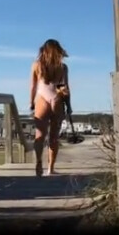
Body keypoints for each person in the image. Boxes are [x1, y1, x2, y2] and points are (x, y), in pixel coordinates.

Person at [30, 39, 71, 176]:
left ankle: (38, 162)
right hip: (57, 100)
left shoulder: (36, 65)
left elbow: (33, 87)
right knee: (54, 137)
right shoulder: (63, 67)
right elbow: (64, 88)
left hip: (42, 99)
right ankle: (50, 168)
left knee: (39, 135)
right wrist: (69, 105)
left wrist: (31, 102)